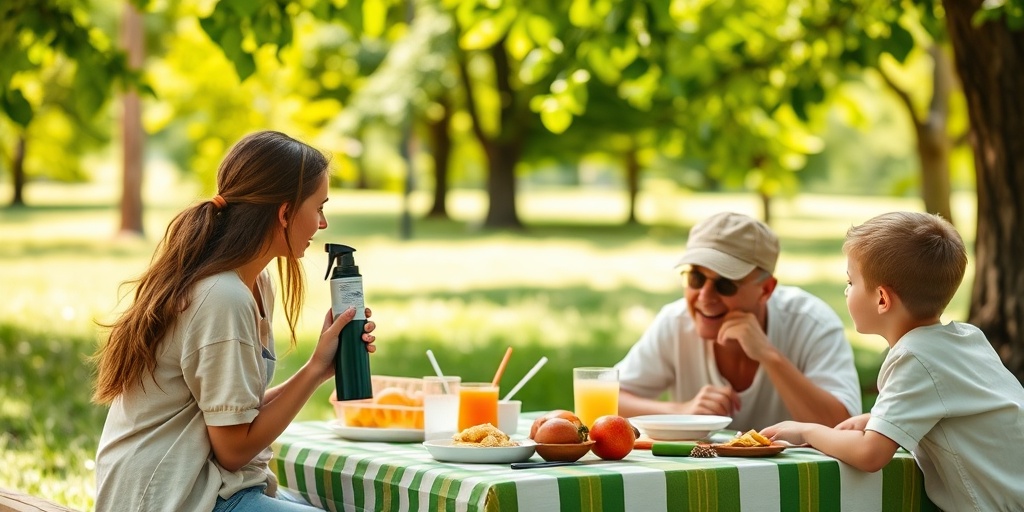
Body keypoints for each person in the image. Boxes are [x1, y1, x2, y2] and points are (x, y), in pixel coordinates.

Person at [92, 131, 377, 512]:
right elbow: (233, 450)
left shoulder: (254, 283)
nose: (322, 223)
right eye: (319, 207)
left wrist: (319, 367)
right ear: (284, 213)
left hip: (206, 488)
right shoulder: (223, 297)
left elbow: (235, 415)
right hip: (172, 499)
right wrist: (311, 372)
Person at [762, 211, 1024, 511]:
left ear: (882, 299)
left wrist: (807, 431)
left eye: (850, 281)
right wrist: (876, 420)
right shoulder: (966, 338)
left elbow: (870, 455)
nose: (846, 290)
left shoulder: (913, 357)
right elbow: (956, 408)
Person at [615, 211, 861, 431]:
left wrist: (768, 355)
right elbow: (610, 399)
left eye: (725, 284)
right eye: (696, 278)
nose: (704, 296)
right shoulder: (676, 322)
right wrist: (681, 412)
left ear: (766, 289)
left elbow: (843, 427)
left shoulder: (811, 323)